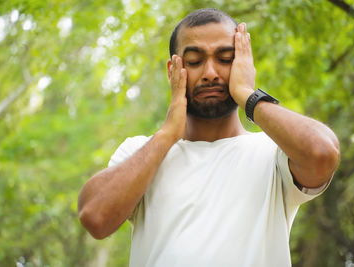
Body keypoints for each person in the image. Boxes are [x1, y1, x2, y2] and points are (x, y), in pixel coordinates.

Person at [78, 8, 340, 267]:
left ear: (243, 64)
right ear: (173, 70)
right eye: (194, 61)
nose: (211, 73)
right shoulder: (142, 152)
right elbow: (95, 216)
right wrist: (168, 134)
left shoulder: (275, 154)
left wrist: (248, 94)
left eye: (226, 58)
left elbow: (323, 154)